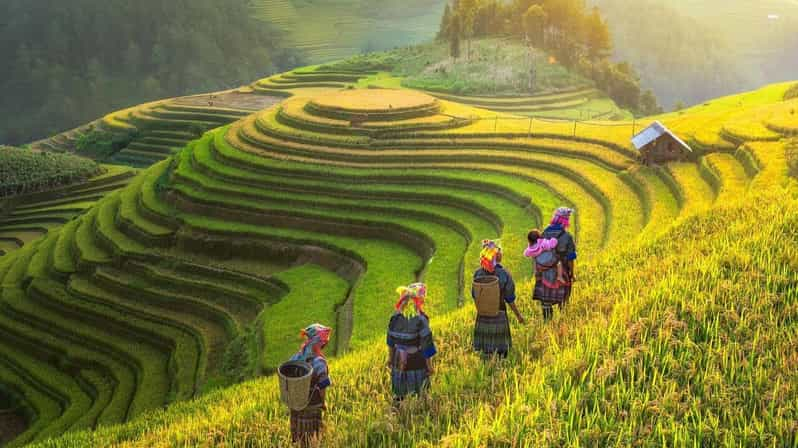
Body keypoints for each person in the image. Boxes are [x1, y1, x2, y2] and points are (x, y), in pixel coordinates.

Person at [472, 240, 526, 358]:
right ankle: (499, 371)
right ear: (496, 256)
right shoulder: (503, 274)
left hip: (482, 315)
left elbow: (474, 295)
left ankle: (488, 370)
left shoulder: (477, 274)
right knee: (501, 351)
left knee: (486, 350)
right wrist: (519, 316)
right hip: (499, 313)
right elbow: (510, 298)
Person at [387, 282, 437, 406]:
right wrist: (429, 366)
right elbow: (427, 345)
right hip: (416, 362)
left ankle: (399, 414)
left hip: (398, 361)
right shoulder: (421, 320)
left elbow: (390, 342)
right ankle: (418, 413)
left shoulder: (395, 318)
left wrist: (390, 359)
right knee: (420, 395)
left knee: (400, 395)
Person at [288, 323, 332, 446]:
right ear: (319, 343)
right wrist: (323, 402)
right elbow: (323, 385)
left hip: (296, 406)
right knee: (310, 440)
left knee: (301, 440)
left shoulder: (298, 356)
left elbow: (287, 370)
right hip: (311, 407)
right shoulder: (319, 362)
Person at [533, 207, 578, 321]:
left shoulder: (544, 233)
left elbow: (537, 252)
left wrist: (537, 272)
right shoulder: (567, 237)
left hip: (545, 272)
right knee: (563, 301)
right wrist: (572, 273)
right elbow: (570, 258)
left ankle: (547, 325)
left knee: (546, 302)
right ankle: (562, 325)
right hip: (561, 272)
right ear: (565, 220)